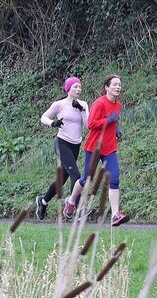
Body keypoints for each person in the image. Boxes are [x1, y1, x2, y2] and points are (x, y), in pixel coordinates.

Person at [64, 74, 128, 226]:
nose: (118, 87)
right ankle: (71, 201)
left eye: (119, 84)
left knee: (115, 178)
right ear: (107, 87)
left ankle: (115, 215)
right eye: (114, 85)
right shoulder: (99, 103)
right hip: (94, 147)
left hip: (110, 148)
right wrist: (108, 120)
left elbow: (115, 119)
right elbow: (91, 124)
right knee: (87, 179)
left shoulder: (118, 104)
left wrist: (116, 128)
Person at [33, 77, 89, 219]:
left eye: (80, 87)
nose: (78, 89)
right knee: (76, 175)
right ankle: (76, 207)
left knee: (61, 180)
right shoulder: (59, 104)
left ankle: (43, 201)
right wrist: (53, 123)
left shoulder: (83, 104)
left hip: (75, 145)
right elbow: (43, 117)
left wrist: (82, 110)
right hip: (62, 143)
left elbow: (88, 125)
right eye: (75, 86)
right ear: (68, 89)